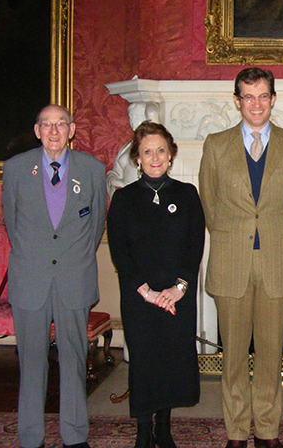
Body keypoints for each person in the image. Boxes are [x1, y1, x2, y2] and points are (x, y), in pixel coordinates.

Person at [198, 67, 283, 448]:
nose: (256, 104)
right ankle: (235, 432)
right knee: (232, 357)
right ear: (237, 101)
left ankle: (267, 430)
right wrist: (235, 237)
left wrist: (275, 237)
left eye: (263, 96)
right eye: (248, 96)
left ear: (273, 99)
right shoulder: (215, 144)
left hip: (276, 262)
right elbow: (209, 204)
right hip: (231, 263)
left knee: (269, 354)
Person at [2, 104, 107, 448]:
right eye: (46, 125)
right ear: (36, 131)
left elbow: (93, 230)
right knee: (32, 363)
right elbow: (12, 224)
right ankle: (31, 437)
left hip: (73, 279)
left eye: (60, 124)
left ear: (72, 129)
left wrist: (69, 259)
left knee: (74, 360)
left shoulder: (92, 169)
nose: (53, 131)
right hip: (30, 279)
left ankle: (74, 436)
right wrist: (38, 258)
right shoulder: (16, 169)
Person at [107, 122, 205, 448]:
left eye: (161, 150)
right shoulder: (123, 199)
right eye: (147, 151)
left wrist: (179, 288)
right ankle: (141, 431)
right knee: (145, 363)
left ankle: (163, 428)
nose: (155, 157)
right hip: (139, 298)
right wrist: (147, 292)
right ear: (137, 158)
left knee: (171, 362)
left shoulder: (187, 195)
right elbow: (120, 252)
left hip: (177, 296)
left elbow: (194, 246)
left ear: (171, 154)